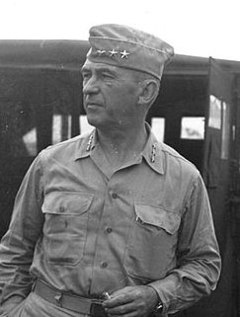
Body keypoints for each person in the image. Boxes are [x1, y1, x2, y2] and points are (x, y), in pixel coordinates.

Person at [0, 24, 221, 317]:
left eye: (106, 76)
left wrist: (155, 295)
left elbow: (205, 265)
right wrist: (11, 309)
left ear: (146, 91)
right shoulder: (50, 163)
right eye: (86, 74)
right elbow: (15, 249)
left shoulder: (184, 179)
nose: (89, 87)